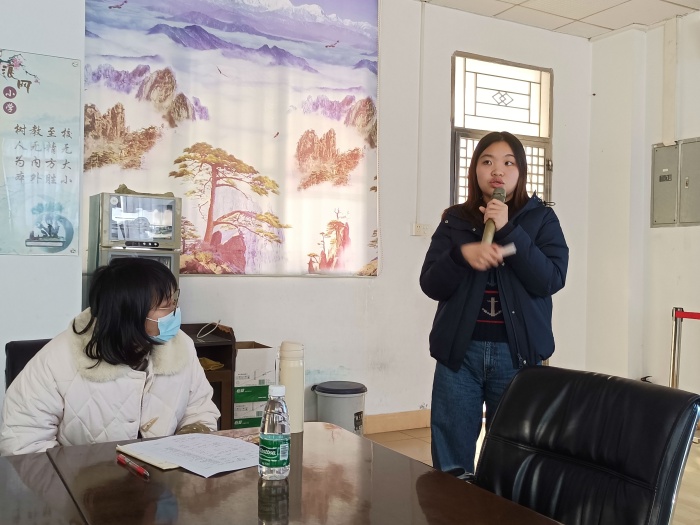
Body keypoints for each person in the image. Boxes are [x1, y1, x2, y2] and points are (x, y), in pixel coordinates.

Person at [419, 131, 568, 474]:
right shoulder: (455, 220)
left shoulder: (541, 219)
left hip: (518, 357)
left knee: (514, 459)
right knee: (452, 462)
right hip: (459, 355)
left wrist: (509, 230)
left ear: (521, 171)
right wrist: (461, 256)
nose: (497, 170)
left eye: (508, 162)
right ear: (475, 170)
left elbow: (550, 279)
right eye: (487, 161)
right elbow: (431, 284)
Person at [0, 257, 220, 456]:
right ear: (129, 313)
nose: (175, 310)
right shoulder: (56, 360)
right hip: (79, 484)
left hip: (163, 480)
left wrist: (188, 445)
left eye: (174, 301)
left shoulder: (181, 346)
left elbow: (200, 409)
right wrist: (75, 479)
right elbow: (23, 443)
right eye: (165, 306)